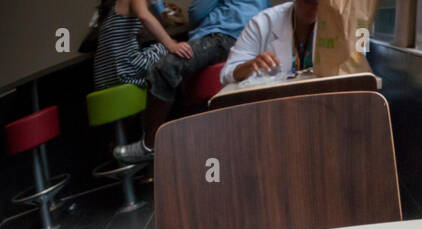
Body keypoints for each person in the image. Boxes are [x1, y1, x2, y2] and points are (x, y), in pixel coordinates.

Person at [113, 0, 268, 164]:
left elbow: (196, 12)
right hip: (249, 38)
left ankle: (150, 145)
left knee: (163, 69)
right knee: (179, 76)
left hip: (223, 35)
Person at [92, 0, 193, 92]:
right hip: (126, 71)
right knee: (172, 50)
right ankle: (186, 101)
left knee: (159, 52)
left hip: (103, 79)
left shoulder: (110, 8)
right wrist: (171, 44)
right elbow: (144, 16)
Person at [219, 0, 319, 84]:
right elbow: (227, 73)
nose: (315, 8)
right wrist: (250, 66)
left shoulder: (333, 20)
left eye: (321, 2)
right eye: (308, 2)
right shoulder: (263, 22)